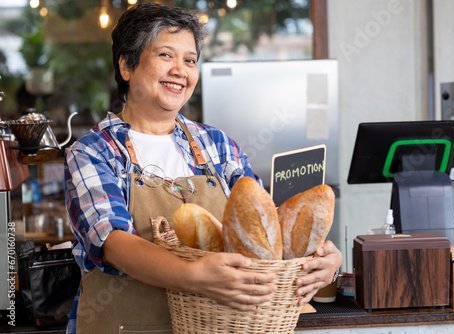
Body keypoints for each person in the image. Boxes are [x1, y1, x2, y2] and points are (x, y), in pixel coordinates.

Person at [64, 3, 342, 333]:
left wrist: (324, 261)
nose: (181, 70)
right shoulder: (93, 151)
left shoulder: (217, 144)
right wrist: (195, 277)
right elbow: (114, 244)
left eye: (190, 60)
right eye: (166, 55)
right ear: (126, 65)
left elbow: (266, 233)